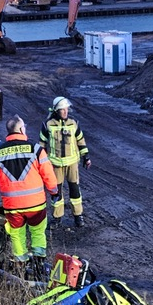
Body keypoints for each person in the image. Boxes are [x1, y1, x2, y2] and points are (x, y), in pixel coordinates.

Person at [0, 115, 59, 279]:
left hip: (12, 206)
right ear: (20, 129)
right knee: (38, 234)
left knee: (17, 235)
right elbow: (48, 174)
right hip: (36, 204)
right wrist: (54, 193)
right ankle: (39, 267)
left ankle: (21, 270)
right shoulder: (36, 150)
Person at [40, 96, 91, 228]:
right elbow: (42, 145)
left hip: (72, 164)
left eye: (67, 109)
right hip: (55, 164)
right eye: (63, 110)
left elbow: (80, 140)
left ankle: (78, 216)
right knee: (56, 192)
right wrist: (42, 164)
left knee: (75, 190)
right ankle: (57, 218)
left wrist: (86, 157)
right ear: (56, 110)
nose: (65, 112)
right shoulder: (47, 124)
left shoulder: (74, 123)